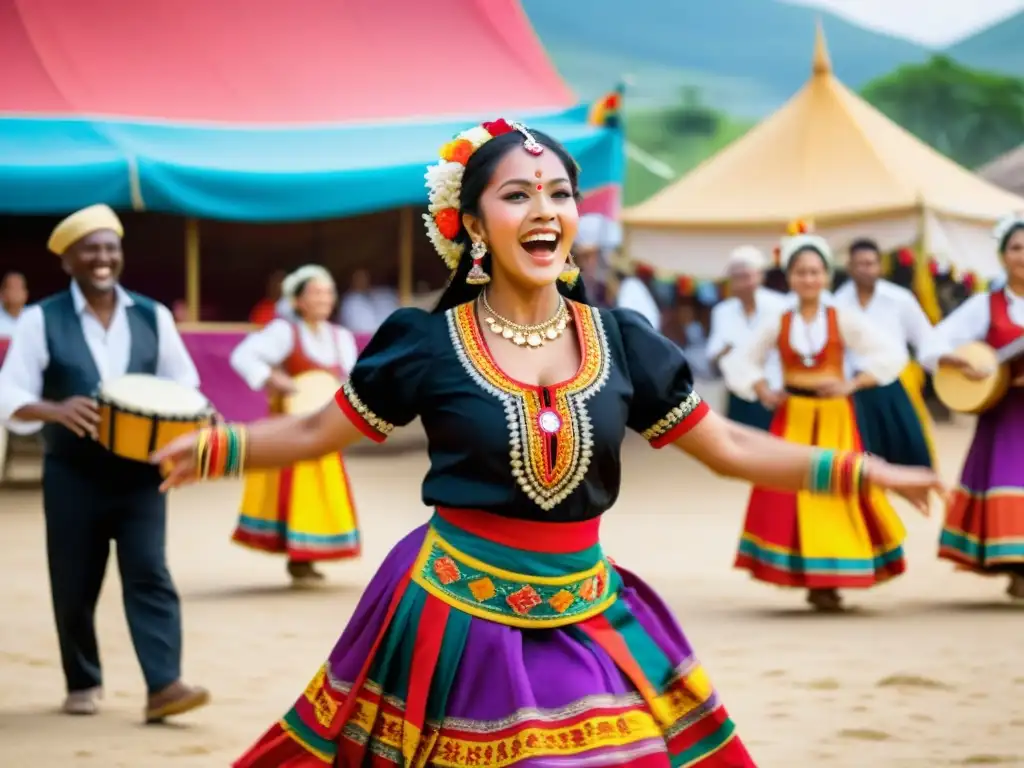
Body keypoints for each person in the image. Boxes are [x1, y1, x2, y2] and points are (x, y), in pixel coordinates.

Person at [154, 120, 939, 766]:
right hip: (456, 615)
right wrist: (222, 449)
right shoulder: (428, 344)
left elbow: (729, 445)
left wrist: (864, 470)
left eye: (560, 193)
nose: (545, 210)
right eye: (518, 194)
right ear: (470, 225)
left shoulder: (622, 342)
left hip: (588, 608)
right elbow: (313, 427)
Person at [0, 204, 208, 720]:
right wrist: (52, 408)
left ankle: (164, 685)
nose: (102, 258)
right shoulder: (38, 319)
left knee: (149, 572)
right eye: (90, 249)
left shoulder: (152, 315)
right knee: (74, 583)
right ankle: (82, 680)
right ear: (68, 260)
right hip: (72, 473)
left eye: (110, 248)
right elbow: (8, 389)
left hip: (141, 473)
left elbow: (185, 384)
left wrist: (192, 422)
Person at [722, 225, 922, 612]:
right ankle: (811, 577)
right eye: (801, 272)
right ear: (790, 277)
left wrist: (853, 383)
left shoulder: (841, 317)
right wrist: (763, 389)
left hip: (835, 417)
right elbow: (742, 359)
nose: (809, 279)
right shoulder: (777, 320)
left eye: (815, 272)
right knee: (793, 493)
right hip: (794, 416)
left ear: (827, 276)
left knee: (835, 489)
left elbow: (889, 354)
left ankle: (830, 577)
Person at [229, 264, 361, 583]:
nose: (324, 299)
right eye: (316, 292)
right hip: (293, 426)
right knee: (294, 486)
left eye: (328, 292)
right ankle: (297, 555)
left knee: (320, 487)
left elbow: (353, 377)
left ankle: (306, 556)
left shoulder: (340, 337)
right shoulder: (284, 331)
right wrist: (274, 378)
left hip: (325, 424)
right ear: (298, 300)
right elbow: (244, 356)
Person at [918, 213, 1024, 600]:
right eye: (1015, 247)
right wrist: (961, 362)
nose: (1023, 255)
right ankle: (1018, 570)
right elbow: (932, 344)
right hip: (1006, 413)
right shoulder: (985, 304)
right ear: (1001, 256)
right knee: (1011, 482)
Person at [834, 239, 936, 467]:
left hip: (897, 381)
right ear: (850, 267)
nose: (865, 269)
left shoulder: (900, 299)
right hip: (854, 386)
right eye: (859, 264)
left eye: (870, 263)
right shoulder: (837, 303)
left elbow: (926, 341)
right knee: (862, 455)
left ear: (880, 266)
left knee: (912, 452)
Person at [708, 246, 788, 430]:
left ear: (760, 276)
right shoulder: (722, 311)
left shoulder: (781, 307)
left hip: (775, 392)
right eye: (736, 277)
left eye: (746, 276)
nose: (741, 283)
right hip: (738, 393)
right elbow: (715, 354)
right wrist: (728, 353)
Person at [0, 270, 28, 336]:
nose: (17, 292)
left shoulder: (33, 317)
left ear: (26, 294)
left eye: (20, 288)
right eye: (12, 288)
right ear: (2, 293)